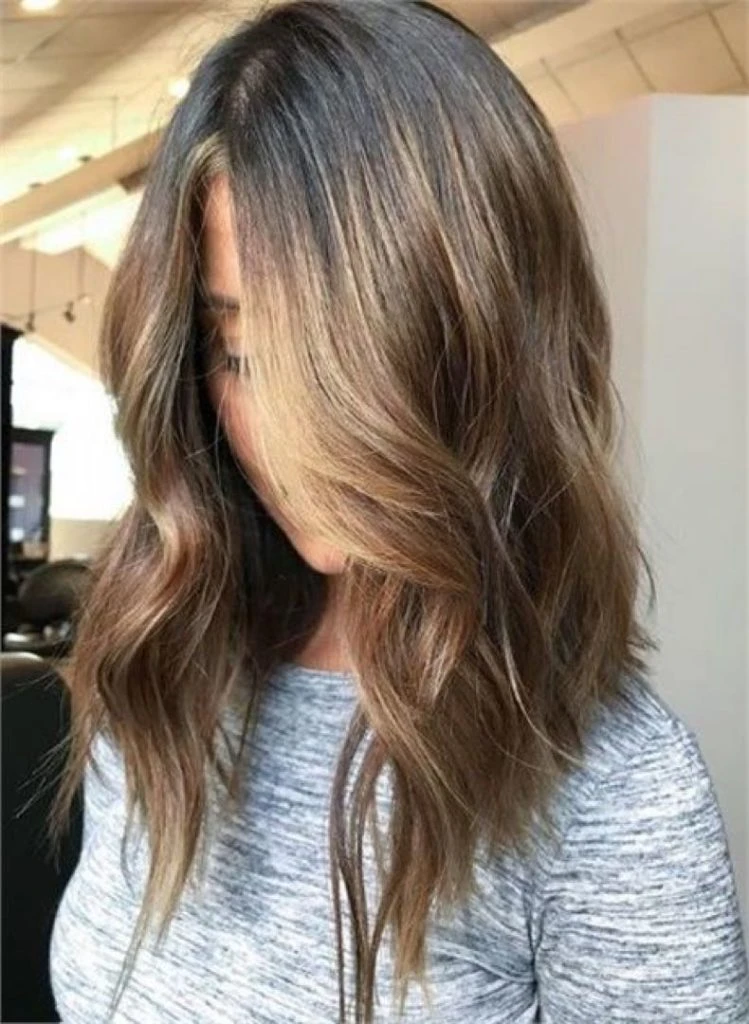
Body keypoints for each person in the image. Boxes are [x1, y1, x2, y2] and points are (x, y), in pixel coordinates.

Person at [46, 2, 748, 1022]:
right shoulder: (161, 665)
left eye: (352, 359)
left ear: (491, 350)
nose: (291, 438)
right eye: (238, 354)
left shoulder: (606, 796)